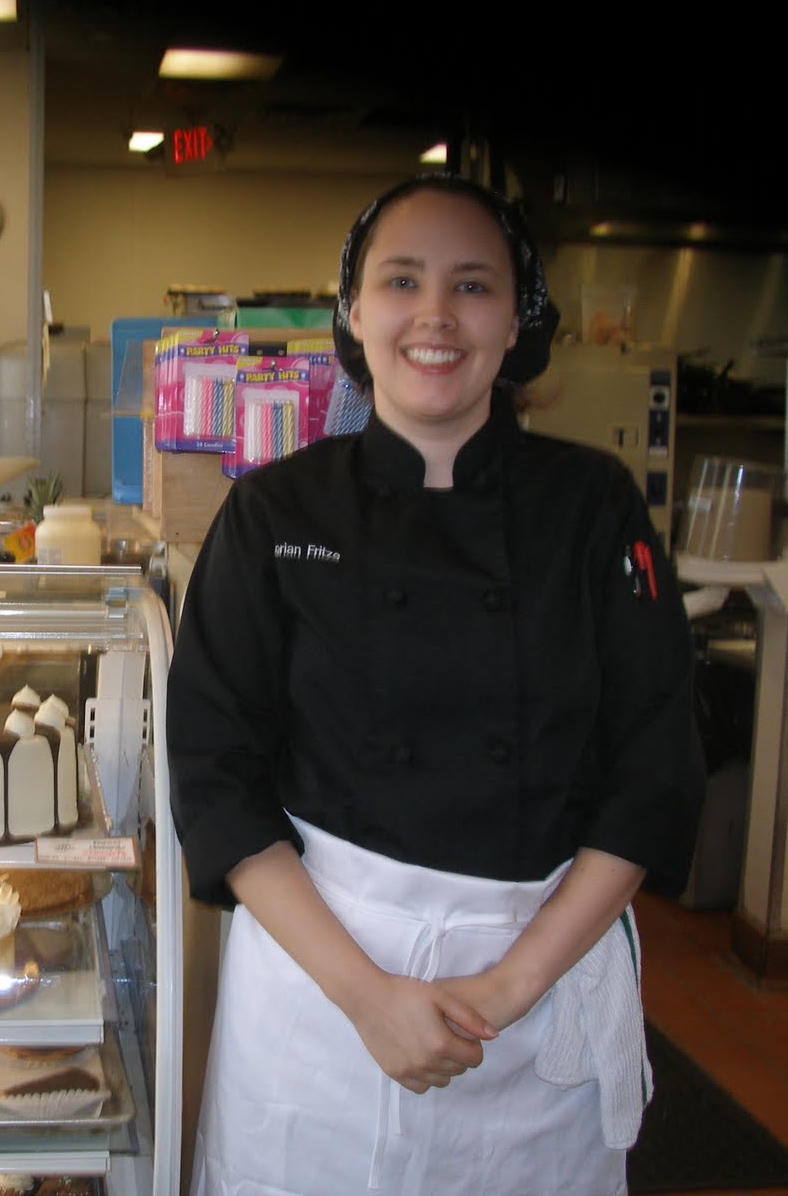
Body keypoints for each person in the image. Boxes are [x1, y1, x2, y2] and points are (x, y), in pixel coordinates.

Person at [167, 174, 704, 1195]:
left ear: (517, 323)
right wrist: (366, 995)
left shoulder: (591, 506)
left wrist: (507, 986)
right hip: (318, 986)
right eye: (401, 280)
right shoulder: (273, 512)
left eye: (473, 287)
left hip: (534, 984)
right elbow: (213, 774)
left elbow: (653, 771)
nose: (434, 316)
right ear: (354, 312)